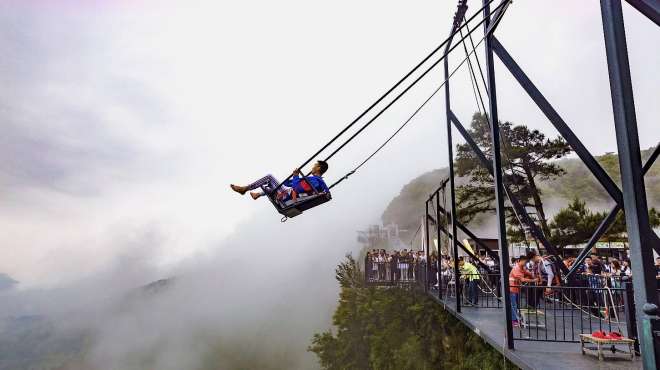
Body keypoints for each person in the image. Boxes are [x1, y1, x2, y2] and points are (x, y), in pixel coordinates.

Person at [230, 161, 330, 201]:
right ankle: (258, 194)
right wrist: (293, 177)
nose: (312, 168)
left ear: (318, 168)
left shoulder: (315, 181)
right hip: (287, 194)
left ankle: (245, 188)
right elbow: (289, 184)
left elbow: (297, 188)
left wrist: (296, 177)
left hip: (288, 195)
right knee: (270, 184)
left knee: (269, 177)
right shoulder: (317, 181)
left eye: (314, 166)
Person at [509, 256, 535, 327]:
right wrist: (533, 280)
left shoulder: (521, 268)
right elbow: (522, 279)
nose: (526, 263)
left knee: (516, 305)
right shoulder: (516, 268)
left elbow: (527, 273)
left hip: (516, 288)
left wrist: (532, 276)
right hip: (512, 288)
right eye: (525, 261)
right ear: (521, 261)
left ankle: (516, 318)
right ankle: (514, 320)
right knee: (514, 305)